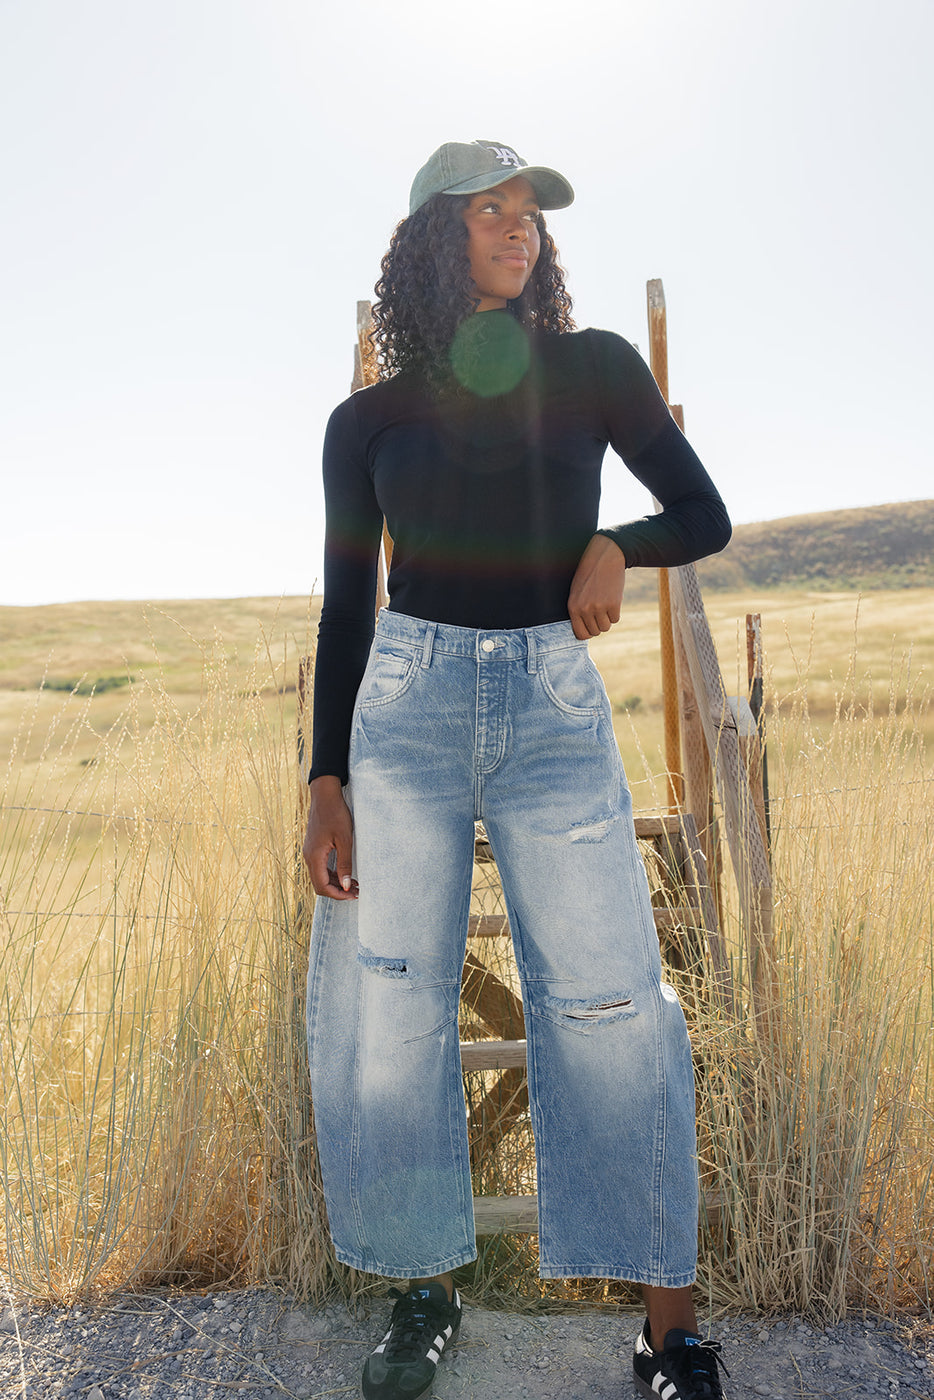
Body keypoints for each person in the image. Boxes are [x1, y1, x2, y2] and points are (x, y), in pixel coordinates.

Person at [304, 139, 731, 1400]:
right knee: (391, 1004)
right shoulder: (367, 420)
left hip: (550, 704)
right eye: (487, 213)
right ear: (436, 239)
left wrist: (614, 539)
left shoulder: (594, 370)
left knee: (614, 1001)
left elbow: (701, 512)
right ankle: (421, 1295)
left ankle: (669, 1331)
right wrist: (324, 779)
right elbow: (346, 610)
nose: (516, 229)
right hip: (405, 718)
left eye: (527, 214)